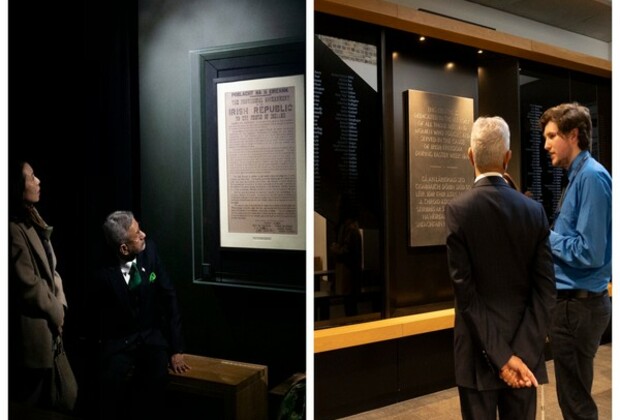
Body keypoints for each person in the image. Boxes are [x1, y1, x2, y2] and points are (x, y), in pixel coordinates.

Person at [445, 116, 556, 419]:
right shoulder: (534, 211)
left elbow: (466, 296)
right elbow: (546, 291)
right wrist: (518, 355)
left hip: (477, 356)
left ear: (471, 157)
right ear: (507, 157)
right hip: (525, 354)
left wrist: (501, 357)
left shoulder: (458, 212)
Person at [541, 102, 611, 420]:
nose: (546, 145)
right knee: (573, 400)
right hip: (572, 306)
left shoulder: (592, 178)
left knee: (577, 404)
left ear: (573, 135)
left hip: (578, 307)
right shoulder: (577, 177)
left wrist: (545, 235)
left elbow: (589, 251)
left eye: (552, 136)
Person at [91, 210, 189, 419]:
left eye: (140, 228)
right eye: (137, 234)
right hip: (120, 342)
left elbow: (169, 297)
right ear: (124, 248)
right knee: (107, 388)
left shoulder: (150, 251)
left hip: (151, 337)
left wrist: (177, 348)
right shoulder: (102, 273)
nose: (144, 234)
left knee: (156, 384)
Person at [8, 161, 69, 407]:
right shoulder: (13, 229)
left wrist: (61, 306)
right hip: (33, 335)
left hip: (49, 327)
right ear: (17, 186)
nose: (38, 181)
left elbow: (52, 271)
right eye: (31, 177)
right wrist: (55, 310)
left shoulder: (32, 221)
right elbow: (28, 284)